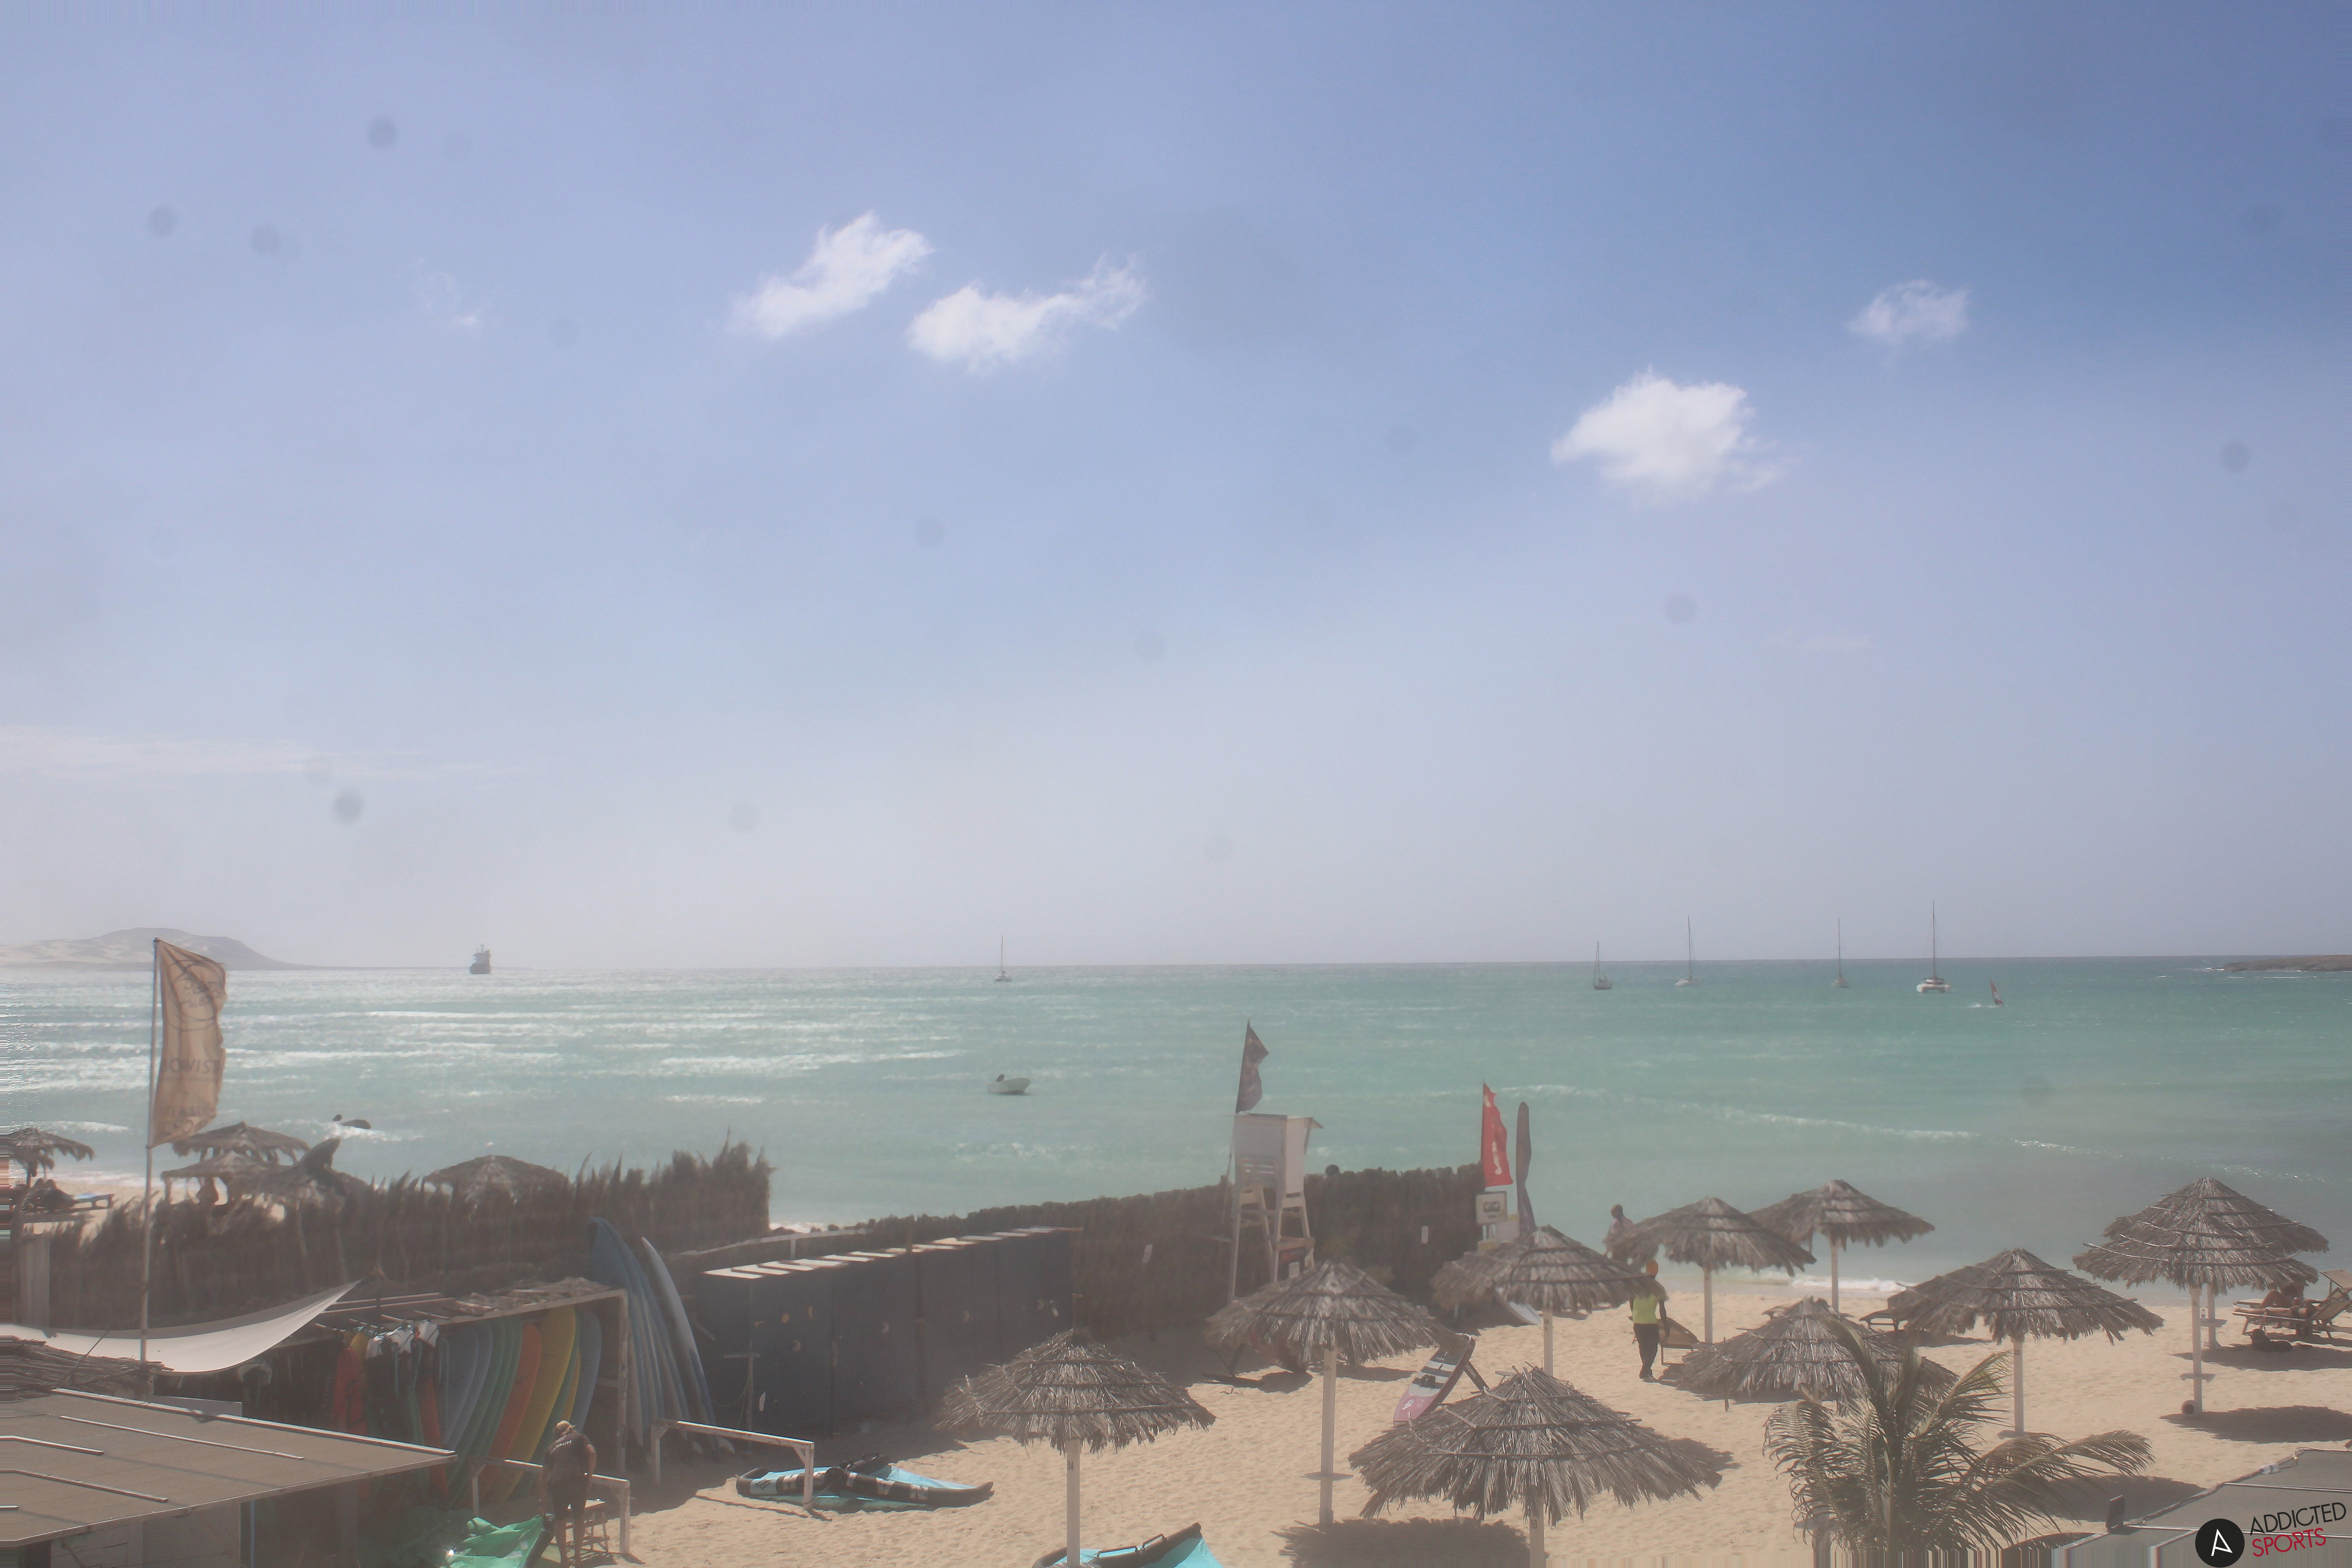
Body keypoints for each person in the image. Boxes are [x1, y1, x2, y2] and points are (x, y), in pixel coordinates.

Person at [540, 1420, 597, 1566]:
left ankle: (564, 1559)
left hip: (557, 1485)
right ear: (570, 1429)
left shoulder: (550, 1448)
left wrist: (544, 1502)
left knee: (560, 1521)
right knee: (578, 1518)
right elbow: (592, 1454)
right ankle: (578, 1558)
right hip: (577, 1481)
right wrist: (589, 1477)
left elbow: (543, 1478)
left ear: (556, 1435)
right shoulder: (579, 1438)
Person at [1630, 1260, 1666, 1380]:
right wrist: (1665, 1325)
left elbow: (1631, 1301)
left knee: (1643, 1347)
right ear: (1657, 1272)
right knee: (1653, 1348)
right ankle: (1644, 1372)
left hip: (1637, 1322)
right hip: (1650, 1323)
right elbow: (1662, 1309)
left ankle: (1647, 1371)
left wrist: (1635, 1314)